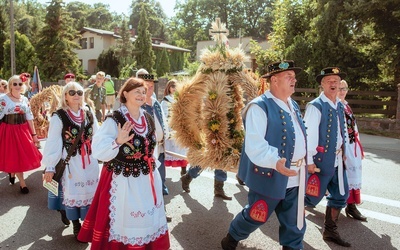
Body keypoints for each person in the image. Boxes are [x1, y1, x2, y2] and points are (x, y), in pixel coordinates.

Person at [221, 60, 307, 250]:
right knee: (256, 215)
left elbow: (300, 136)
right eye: (289, 77)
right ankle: (233, 236)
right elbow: (255, 145)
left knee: (294, 223)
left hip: (295, 176)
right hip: (270, 175)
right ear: (274, 80)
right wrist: (276, 162)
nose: (294, 80)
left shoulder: (292, 104)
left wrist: (307, 161)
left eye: (294, 77)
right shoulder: (259, 107)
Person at [77, 77, 170, 250]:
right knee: (125, 220)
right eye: (137, 92)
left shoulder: (148, 118)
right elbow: (98, 150)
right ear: (125, 94)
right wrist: (117, 142)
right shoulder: (115, 119)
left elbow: (152, 148)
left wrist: (154, 169)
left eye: (144, 92)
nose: (142, 95)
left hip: (146, 178)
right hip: (122, 180)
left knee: (146, 219)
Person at [42, 81, 99, 239]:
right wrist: (50, 166)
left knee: (89, 191)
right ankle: (76, 224)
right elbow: (54, 141)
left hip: (89, 160)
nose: (76, 95)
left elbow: (98, 135)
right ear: (65, 96)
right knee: (74, 192)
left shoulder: (89, 113)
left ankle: (87, 222)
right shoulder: (59, 116)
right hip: (71, 161)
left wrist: (105, 154)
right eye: (72, 92)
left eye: (79, 92)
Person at [303, 67, 351, 247]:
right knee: (309, 198)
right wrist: (309, 162)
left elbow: (342, 131)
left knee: (340, 195)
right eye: (329, 80)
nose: (333, 83)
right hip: (320, 163)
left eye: (336, 81)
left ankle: (330, 231)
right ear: (322, 84)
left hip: (338, 161)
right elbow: (309, 138)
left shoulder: (339, 105)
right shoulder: (316, 106)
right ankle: (291, 231)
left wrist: (345, 152)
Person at [0, 75, 42, 193]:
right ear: (10, 86)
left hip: (23, 130)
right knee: (14, 154)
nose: (18, 86)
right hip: (9, 130)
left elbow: (29, 118)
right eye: (15, 84)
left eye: (20, 84)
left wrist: (34, 135)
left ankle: (13, 173)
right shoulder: (3, 99)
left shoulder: (24, 99)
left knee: (22, 155)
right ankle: (22, 183)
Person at [137, 69, 169, 196]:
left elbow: (163, 122)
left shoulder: (156, 103)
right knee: (149, 182)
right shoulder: (138, 105)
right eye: (147, 86)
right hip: (147, 151)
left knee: (160, 180)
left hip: (160, 149)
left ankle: (161, 213)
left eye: (152, 86)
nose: (150, 89)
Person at [338, 79, 367, 221]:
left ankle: (351, 206)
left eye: (344, 89)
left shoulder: (346, 106)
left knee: (352, 176)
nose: (342, 91)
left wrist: (359, 146)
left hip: (352, 145)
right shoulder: (335, 106)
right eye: (339, 88)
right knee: (342, 177)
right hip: (343, 148)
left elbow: (353, 129)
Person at [160, 79, 188, 175]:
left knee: (182, 149)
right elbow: (164, 115)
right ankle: (163, 174)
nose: (174, 89)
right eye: (172, 87)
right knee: (170, 150)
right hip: (170, 127)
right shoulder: (165, 100)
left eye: (176, 86)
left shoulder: (181, 98)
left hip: (180, 127)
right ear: (169, 88)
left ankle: (184, 170)